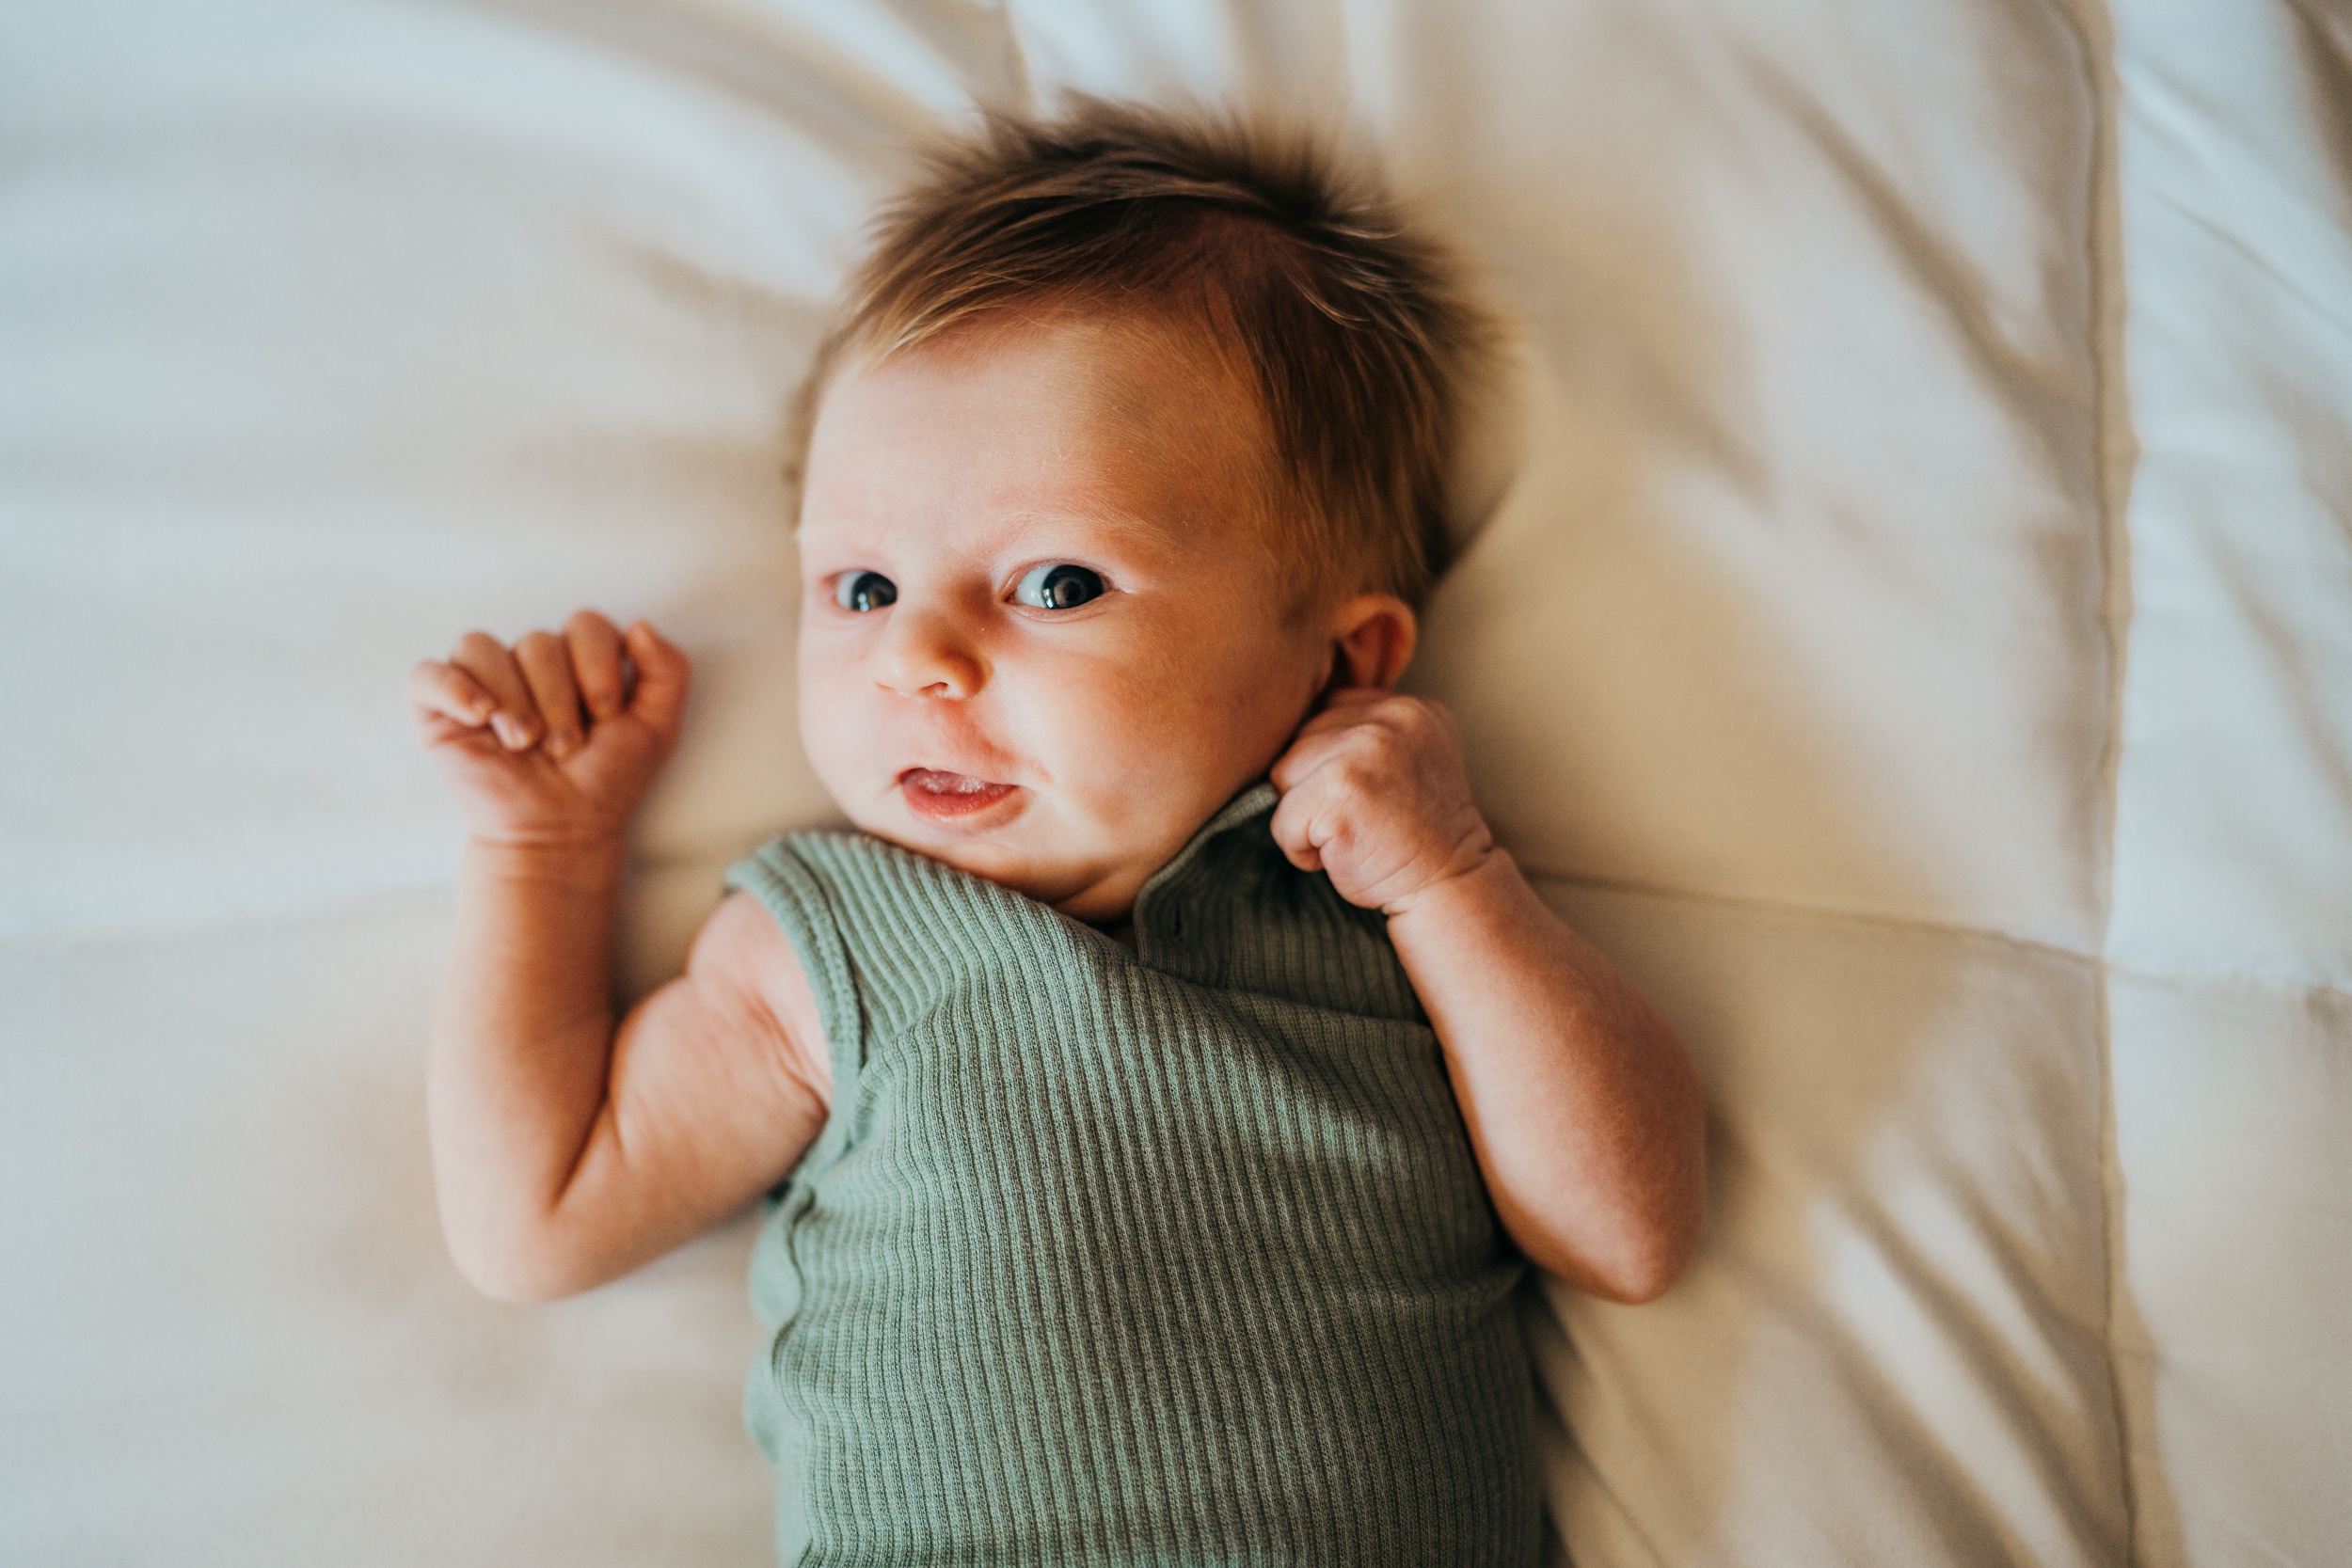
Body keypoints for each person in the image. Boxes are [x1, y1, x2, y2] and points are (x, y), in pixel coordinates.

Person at [407, 99, 1706, 1565]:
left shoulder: (1384, 898)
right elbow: (540, 1216)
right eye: (863, 590)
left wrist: (1457, 880)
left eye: (1059, 585)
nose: (917, 662)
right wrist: (544, 857)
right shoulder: (828, 949)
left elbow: (1629, 1235)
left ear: (1343, 666)